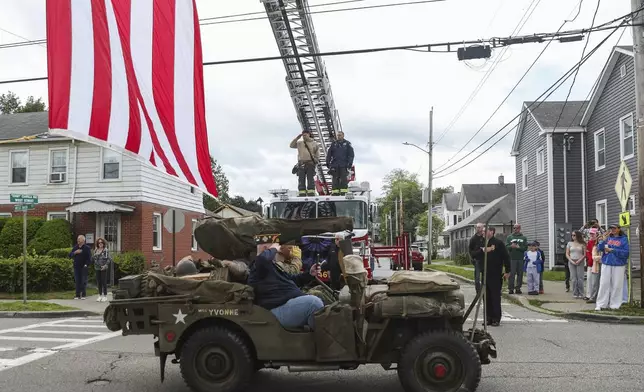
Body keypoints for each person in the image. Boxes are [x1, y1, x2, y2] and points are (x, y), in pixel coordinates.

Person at [247, 237, 324, 330]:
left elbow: (292, 279)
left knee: (322, 299)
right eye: (276, 245)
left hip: (286, 305)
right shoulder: (258, 266)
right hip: (274, 312)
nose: (278, 250)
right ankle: (321, 339)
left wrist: (310, 274)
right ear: (265, 248)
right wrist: (274, 248)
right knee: (314, 303)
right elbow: (262, 259)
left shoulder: (271, 267)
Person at [595, 224, 629, 311]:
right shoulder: (608, 238)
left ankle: (615, 305)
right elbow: (599, 248)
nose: (612, 230)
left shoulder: (624, 239)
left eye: (614, 228)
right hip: (606, 263)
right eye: (611, 228)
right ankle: (601, 304)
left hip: (619, 264)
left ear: (619, 229)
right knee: (604, 284)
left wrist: (613, 250)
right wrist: (603, 240)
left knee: (617, 285)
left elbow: (626, 253)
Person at [482, 227, 510, 326]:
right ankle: (488, 318)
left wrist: (507, 271)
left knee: (495, 296)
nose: (483, 233)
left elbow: (506, 256)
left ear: (492, 232)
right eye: (483, 231)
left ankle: (496, 318)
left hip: (495, 273)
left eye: (486, 231)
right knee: (486, 297)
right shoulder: (483, 243)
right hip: (485, 273)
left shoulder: (498, 243)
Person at [289, 130, 320, 197]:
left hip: (310, 163)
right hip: (301, 164)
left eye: (305, 135)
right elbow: (291, 146)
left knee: (310, 178)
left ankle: (311, 192)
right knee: (301, 179)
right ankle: (302, 193)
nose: (304, 136)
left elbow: (317, 154)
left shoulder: (314, 143)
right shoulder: (300, 143)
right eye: (303, 135)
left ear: (309, 134)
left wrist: (316, 160)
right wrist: (297, 138)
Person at [326, 131, 354, 195]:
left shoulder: (347, 144)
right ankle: (335, 192)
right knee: (335, 179)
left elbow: (351, 155)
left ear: (343, 135)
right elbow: (329, 154)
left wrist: (350, 163)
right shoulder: (334, 144)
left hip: (344, 165)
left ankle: (343, 192)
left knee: (343, 179)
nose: (339, 136)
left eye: (340, 135)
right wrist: (328, 162)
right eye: (338, 135)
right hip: (335, 165)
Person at [505, 224, 527, 294]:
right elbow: (506, 246)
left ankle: (518, 288)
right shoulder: (509, 237)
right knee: (512, 274)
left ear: (519, 229)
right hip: (512, 258)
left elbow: (525, 248)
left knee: (520, 274)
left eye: (517, 228)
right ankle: (511, 289)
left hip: (520, 258)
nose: (515, 229)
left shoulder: (523, 238)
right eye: (514, 228)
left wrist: (518, 247)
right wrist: (511, 246)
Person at [69, 235, 92, 300]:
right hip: (76, 266)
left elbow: (89, 258)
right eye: (77, 239)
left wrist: (86, 264)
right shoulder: (75, 247)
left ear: (83, 240)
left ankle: (83, 295)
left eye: (79, 239)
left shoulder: (87, 248)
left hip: (84, 267)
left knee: (83, 281)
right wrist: (75, 252)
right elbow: (70, 255)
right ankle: (77, 295)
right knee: (77, 281)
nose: (78, 240)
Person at [566, 230, 587, 299]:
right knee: (574, 278)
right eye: (572, 235)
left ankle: (581, 293)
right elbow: (567, 253)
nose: (573, 236)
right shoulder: (569, 243)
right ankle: (575, 293)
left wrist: (579, 260)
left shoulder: (583, 244)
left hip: (580, 261)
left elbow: (584, 254)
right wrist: (571, 260)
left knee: (580, 278)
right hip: (571, 261)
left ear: (578, 236)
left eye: (574, 235)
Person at [92, 237, 112, 302]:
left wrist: (105, 265)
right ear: (97, 243)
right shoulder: (95, 250)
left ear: (103, 243)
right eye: (99, 242)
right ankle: (100, 295)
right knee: (99, 282)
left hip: (104, 268)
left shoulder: (105, 250)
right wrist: (97, 263)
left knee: (104, 282)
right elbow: (94, 259)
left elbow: (109, 259)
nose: (100, 244)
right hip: (97, 268)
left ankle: (105, 296)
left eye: (101, 242)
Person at [468, 223, 486, 293]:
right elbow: (470, 250)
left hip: (485, 260)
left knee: (484, 277)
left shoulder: (485, 238)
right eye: (477, 227)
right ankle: (478, 292)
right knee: (477, 278)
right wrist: (472, 258)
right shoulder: (473, 239)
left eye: (479, 227)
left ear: (483, 228)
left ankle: (483, 291)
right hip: (477, 260)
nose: (478, 229)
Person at [585, 228, 602, 303]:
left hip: (599, 264)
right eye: (590, 234)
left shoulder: (599, 242)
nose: (591, 235)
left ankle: (597, 296)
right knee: (590, 280)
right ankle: (589, 295)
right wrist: (590, 260)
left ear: (596, 234)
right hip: (591, 264)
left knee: (597, 281)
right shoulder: (589, 242)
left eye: (593, 234)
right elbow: (588, 252)